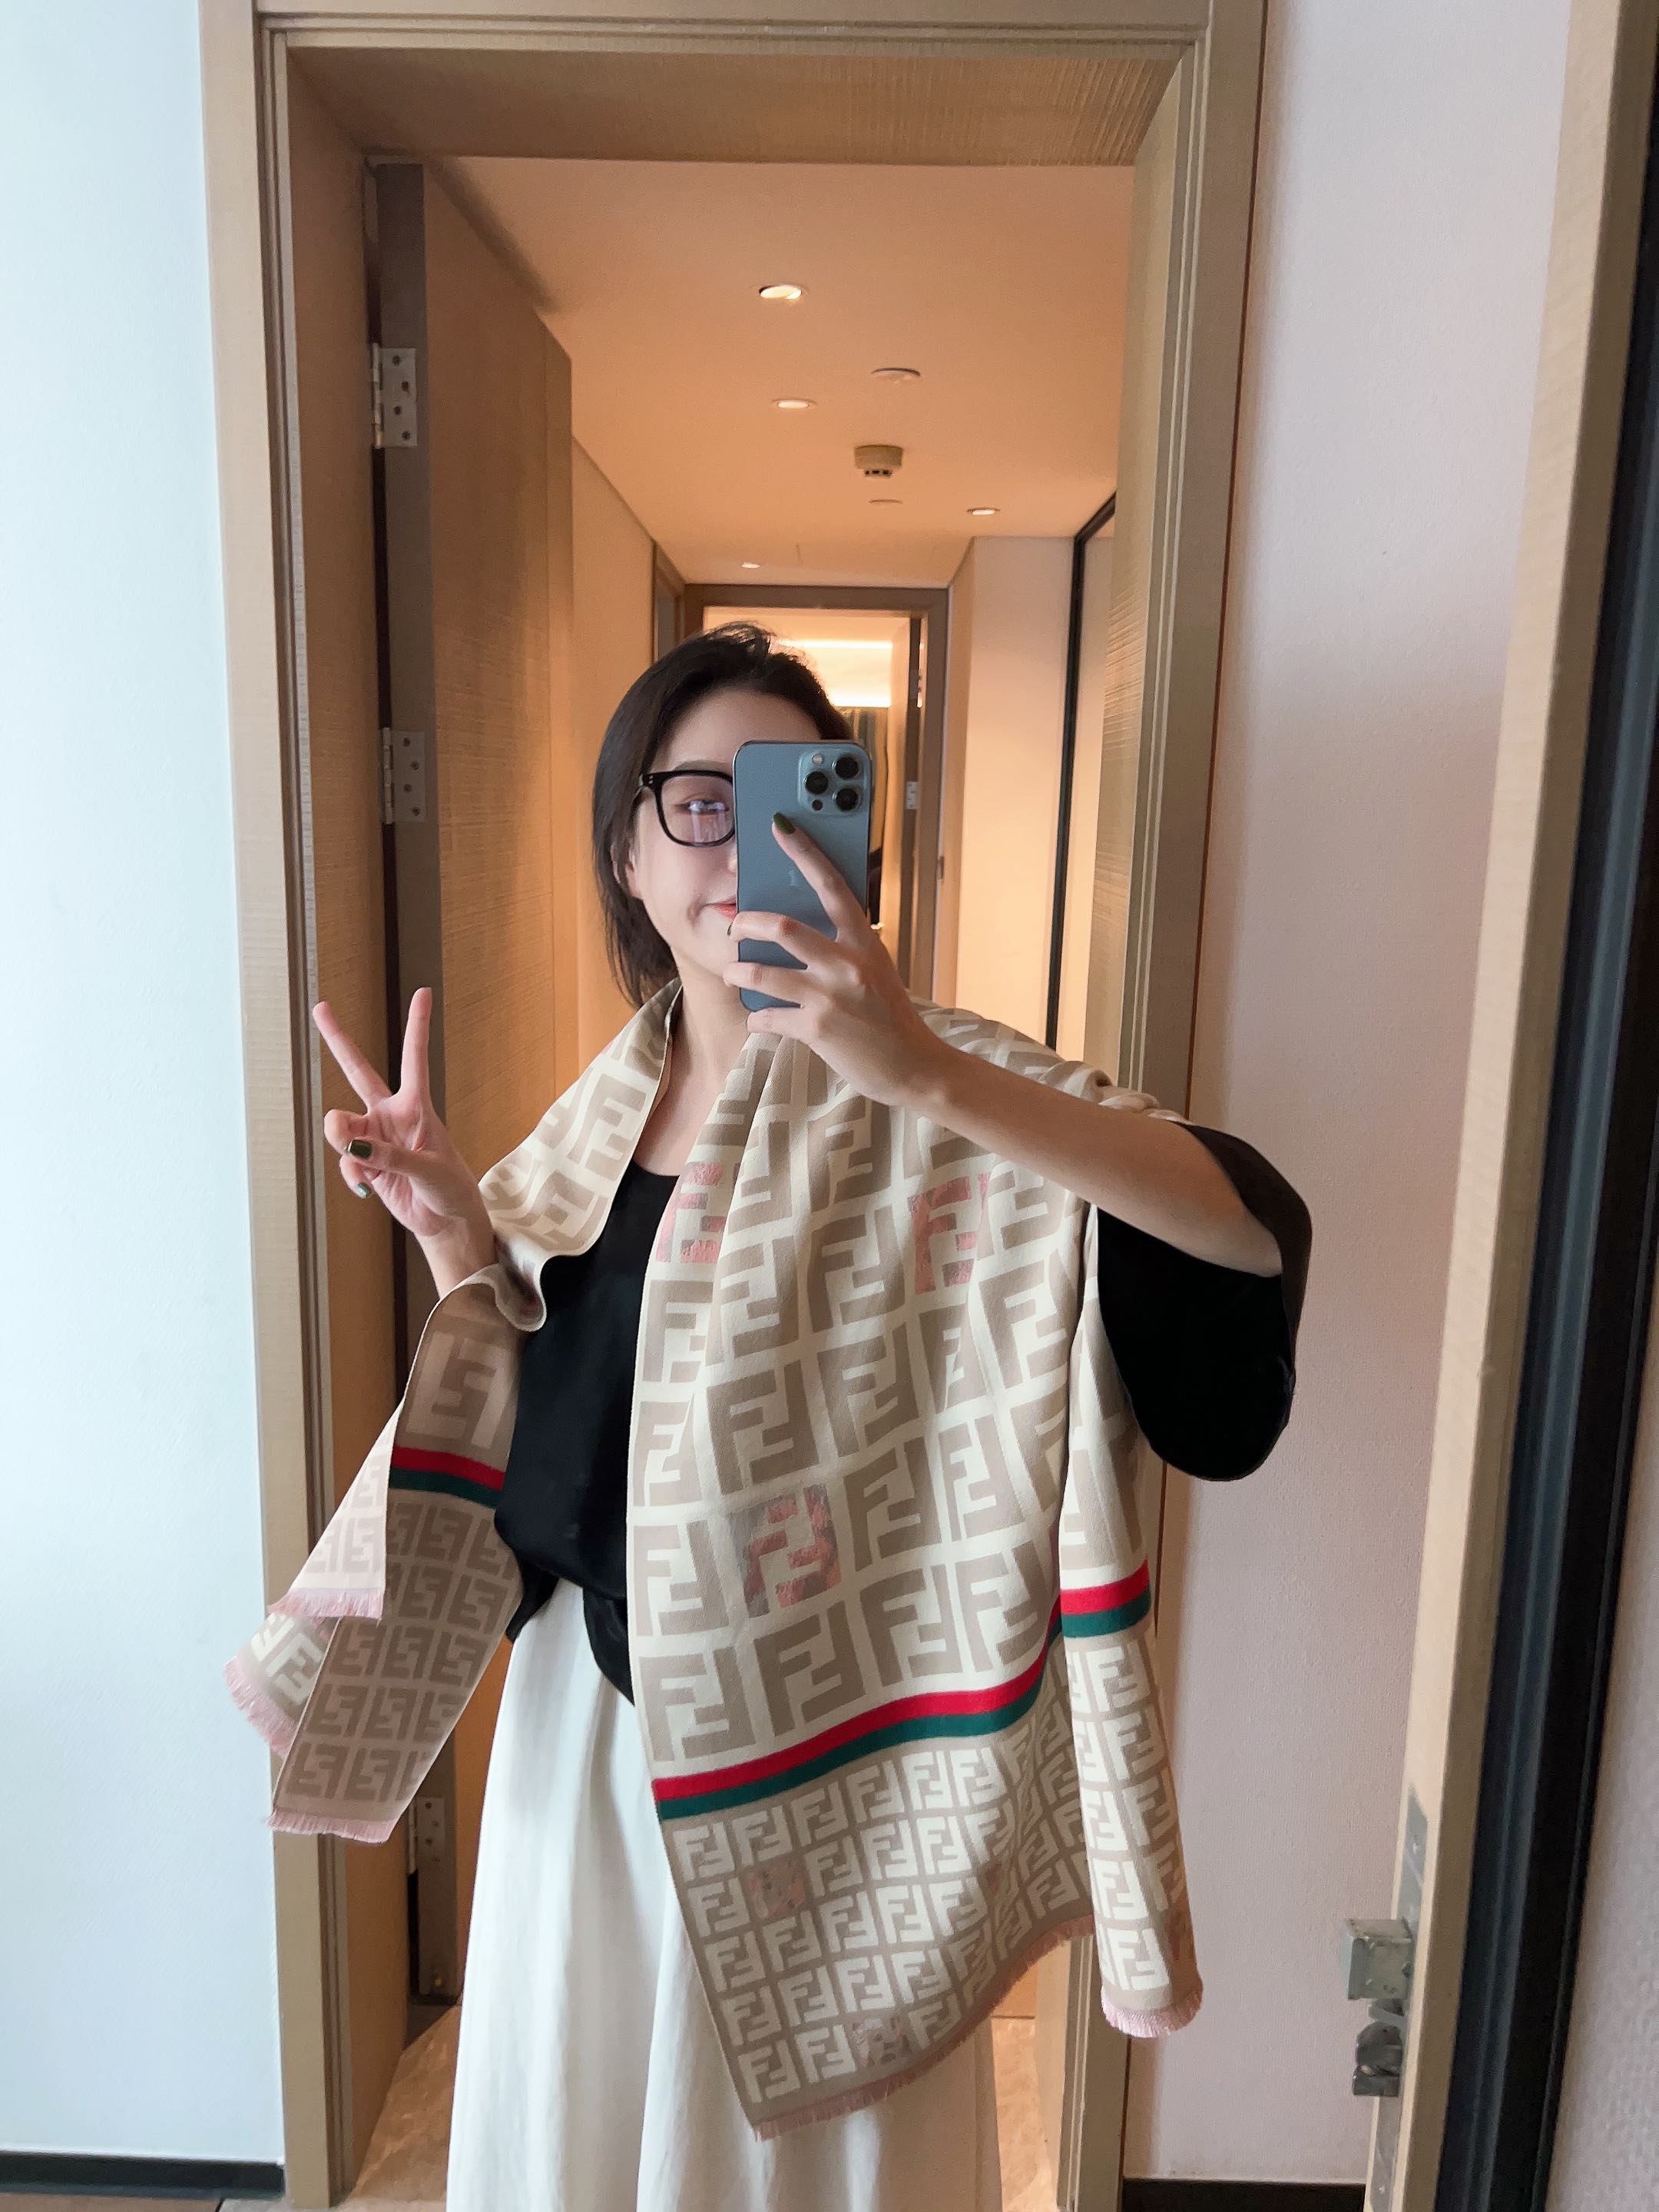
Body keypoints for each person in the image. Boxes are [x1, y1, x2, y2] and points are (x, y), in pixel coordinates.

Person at [306, 624, 1312, 2212]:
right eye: (697, 801)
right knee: (586, 2133)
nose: (739, 844)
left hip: (846, 1796)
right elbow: (546, 1440)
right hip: (590, 1757)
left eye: (789, 795)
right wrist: (454, 1236)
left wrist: (923, 1074)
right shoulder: (590, 1128)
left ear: (849, 839)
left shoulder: (950, 1090)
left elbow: (1244, 1236)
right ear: (629, 854)